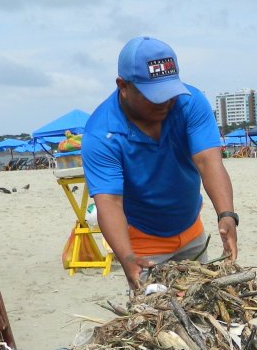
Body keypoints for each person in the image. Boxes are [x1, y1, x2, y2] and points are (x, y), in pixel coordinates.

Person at [81, 36, 237, 290]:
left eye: (170, 92)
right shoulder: (101, 134)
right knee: (156, 318)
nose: (166, 102)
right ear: (123, 86)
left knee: (201, 307)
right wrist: (126, 256)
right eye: (154, 95)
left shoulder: (190, 103)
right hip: (144, 242)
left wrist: (227, 214)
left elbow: (209, 161)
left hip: (192, 230)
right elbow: (109, 201)